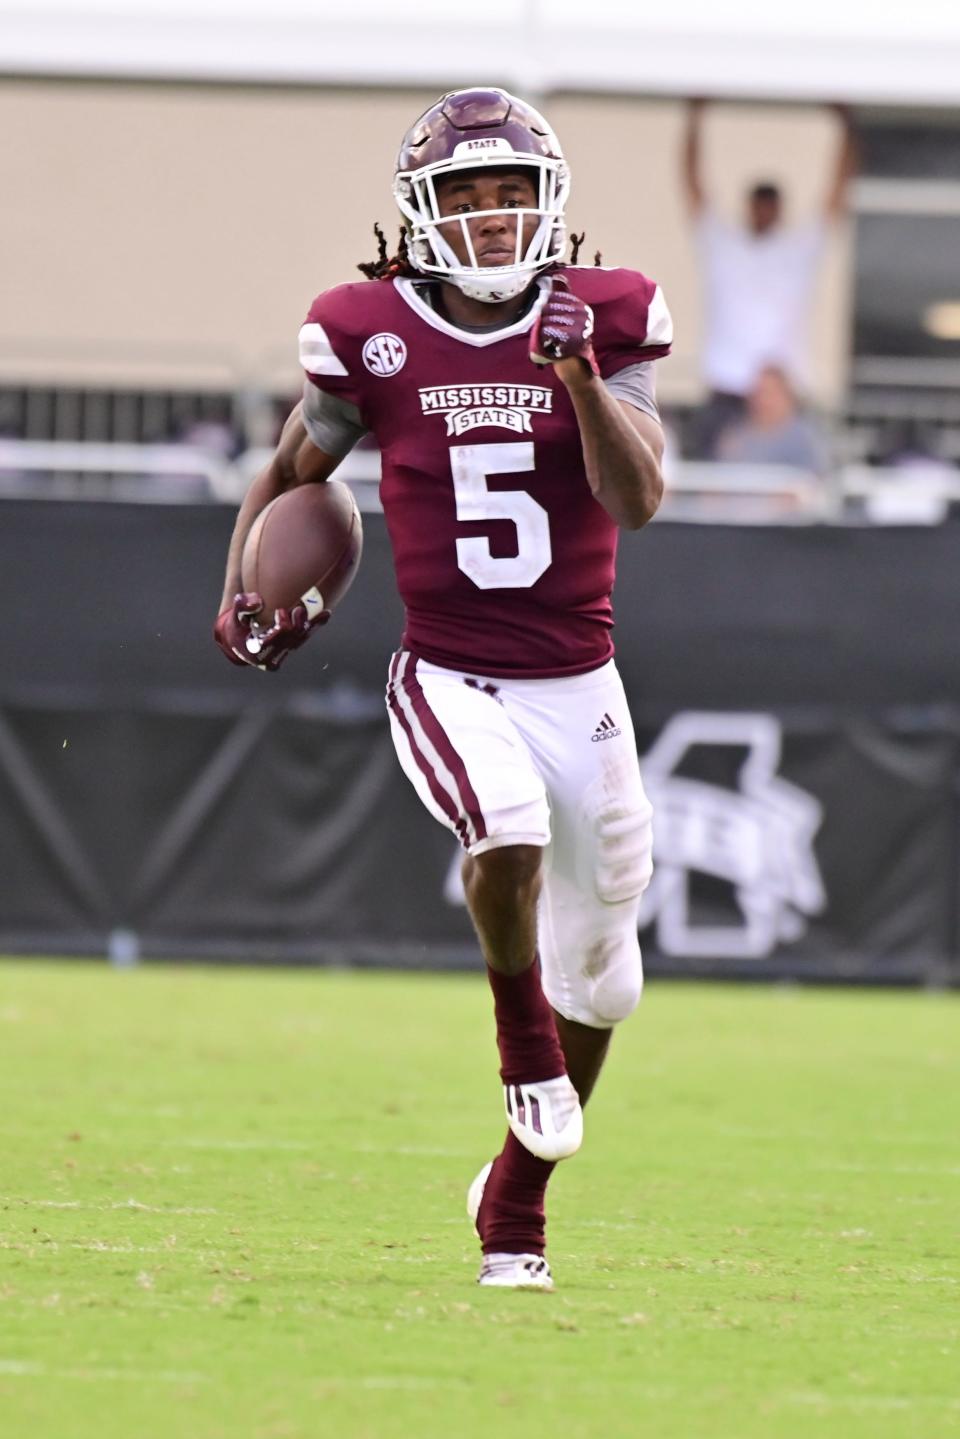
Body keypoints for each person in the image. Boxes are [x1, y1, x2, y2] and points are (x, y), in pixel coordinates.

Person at [214, 87, 673, 1290]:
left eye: (509, 191)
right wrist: (239, 584)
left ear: (550, 200)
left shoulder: (608, 315)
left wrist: (575, 376)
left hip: (581, 676)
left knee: (610, 974)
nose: (487, 216)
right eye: (463, 196)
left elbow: (638, 500)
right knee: (505, 825)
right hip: (452, 670)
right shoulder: (368, 332)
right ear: (421, 213)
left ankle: (510, 1190)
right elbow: (293, 467)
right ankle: (520, 1051)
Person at [682, 98, 856, 457]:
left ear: (778, 210)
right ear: (750, 208)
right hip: (728, 389)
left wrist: (847, 129)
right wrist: (694, 119)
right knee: (716, 484)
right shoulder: (724, 244)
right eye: (758, 206)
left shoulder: (797, 249)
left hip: (784, 395)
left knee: (788, 483)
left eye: (770, 207)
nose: (763, 213)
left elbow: (836, 197)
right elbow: (694, 187)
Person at [716, 364, 829, 475]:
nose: (763, 400)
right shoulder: (736, 434)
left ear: (786, 395)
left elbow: (810, 480)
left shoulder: (803, 437)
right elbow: (720, 476)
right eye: (759, 393)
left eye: (770, 393)